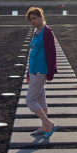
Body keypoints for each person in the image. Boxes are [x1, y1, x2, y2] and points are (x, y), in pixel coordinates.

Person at [25, 7, 58, 137]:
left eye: (34, 18)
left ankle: (48, 123)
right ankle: (44, 127)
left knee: (30, 100)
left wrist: (50, 72)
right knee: (41, 99)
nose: (32, 21)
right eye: (30, 19)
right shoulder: (37, 32)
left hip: (40, 70)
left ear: (41, 17)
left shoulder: (47, 32)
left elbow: (52, 53)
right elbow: (33, 53)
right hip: (34, 70)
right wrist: (28, 72)